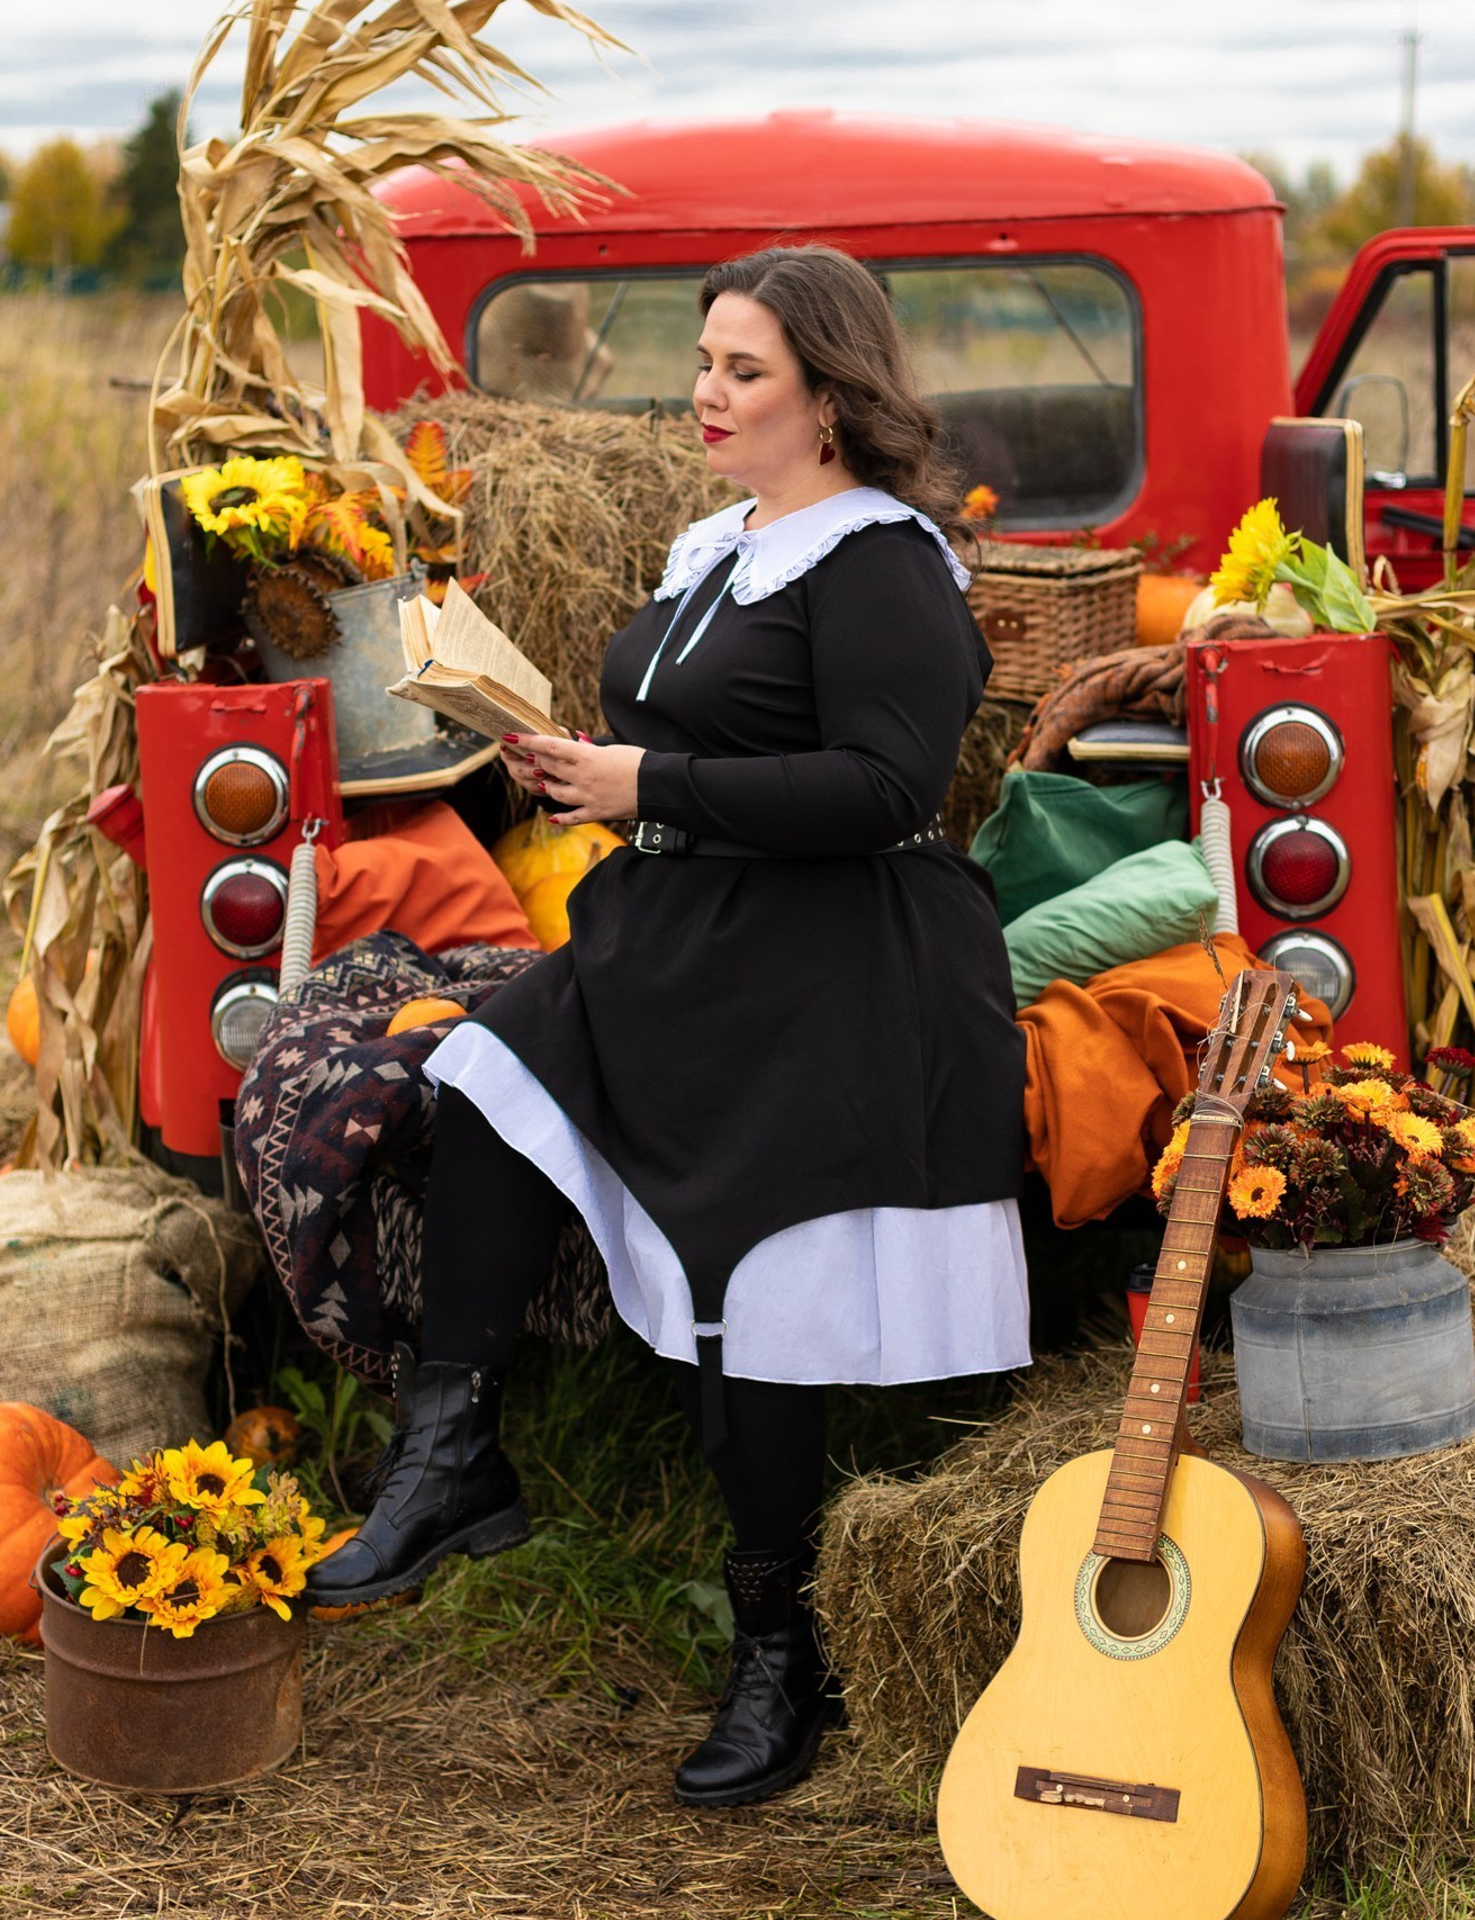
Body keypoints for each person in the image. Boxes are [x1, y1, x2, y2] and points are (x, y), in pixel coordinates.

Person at [304, 244, 1030, 1807]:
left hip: (834, 962)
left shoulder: (886, 558)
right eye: (704, 361)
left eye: (744, 370)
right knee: (485, 1087)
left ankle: (782, 1648)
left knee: (753, 1304)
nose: (706, 393)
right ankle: (452, 1455)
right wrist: (564, 759)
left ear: (830, 395)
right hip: (679, 928)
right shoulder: (725, 546)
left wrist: (658, 788)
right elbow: (688, 735)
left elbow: (891, 789)